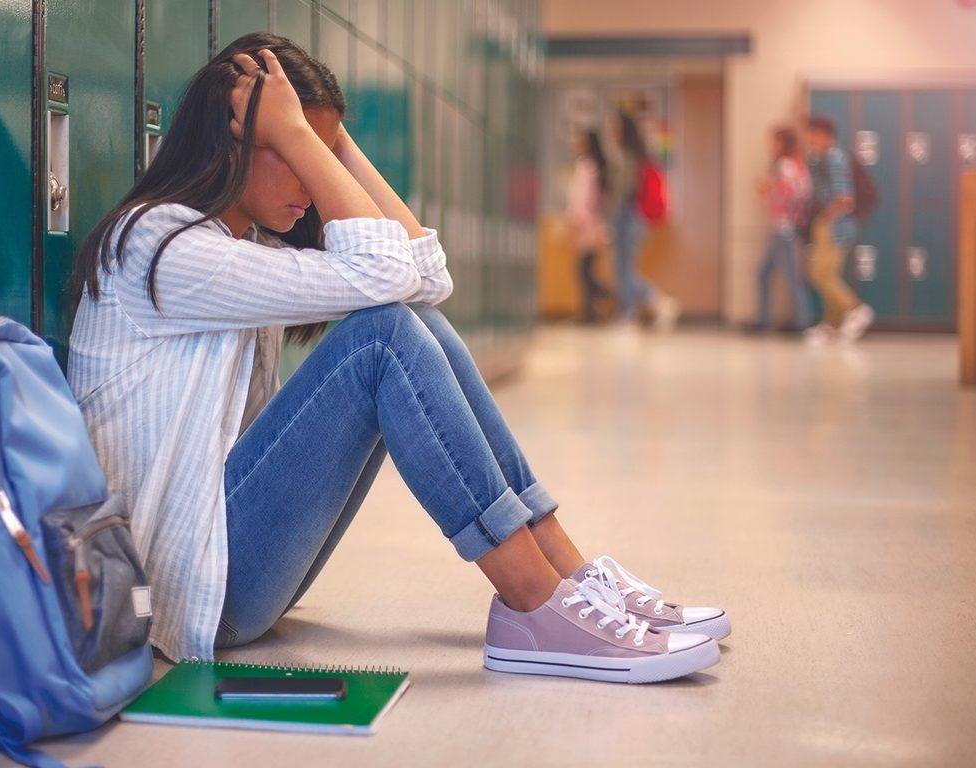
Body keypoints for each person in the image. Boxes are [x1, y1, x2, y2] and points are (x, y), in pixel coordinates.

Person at [67, 33, 728, 684]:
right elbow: (386, 275)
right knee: (382, 338)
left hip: (224, 565)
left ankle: (565, 576)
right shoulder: (158, 248)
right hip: (183, 591)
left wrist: (324, 138)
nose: (313, 184)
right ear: (236, 142)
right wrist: (303, 137)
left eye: (321, 157)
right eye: (296, 155)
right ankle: (533, 601)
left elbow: (426, 275)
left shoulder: (242, 246)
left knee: (412, 321)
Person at [605, 111, 679, 330]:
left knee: (623, 269)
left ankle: (654, 302)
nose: (611, 132)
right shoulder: (640, 155)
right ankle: (628, 313)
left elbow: (622, 191)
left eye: (614, 127)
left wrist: (608, 219)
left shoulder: (626, 156)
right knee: (622, 268)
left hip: (627, 216)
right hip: (637, 217)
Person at [804, 116, 874, 344]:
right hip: (828, 223)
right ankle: (832, 324)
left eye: (814, 134)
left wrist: (826, 217)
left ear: (827, 136)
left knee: (820, 273)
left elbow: (845, 199)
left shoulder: (835, 158)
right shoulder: (819, 159)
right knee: (826, 274)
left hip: (835, 225)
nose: (810, 139)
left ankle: (855, 309)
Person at [754, 126, 813, 332]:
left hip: (784, 227)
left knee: (790, 276)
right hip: (788, 226)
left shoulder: (784, 165)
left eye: (773, 142)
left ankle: (801, 322)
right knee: (763, 273)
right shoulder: (798, 165)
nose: (770, 146)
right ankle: (763, 320)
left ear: (782, 144)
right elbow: (804, 192)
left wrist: (766, 193)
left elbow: (788, 193)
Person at [564, 130, 612, 322]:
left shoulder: (586, 167)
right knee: (586, 270)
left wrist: (575, 221)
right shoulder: (596, 167)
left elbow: (582, 199)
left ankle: (602, 299)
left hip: (586, 227)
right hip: (592, 225)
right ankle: (590, 312)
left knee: (584, 271)